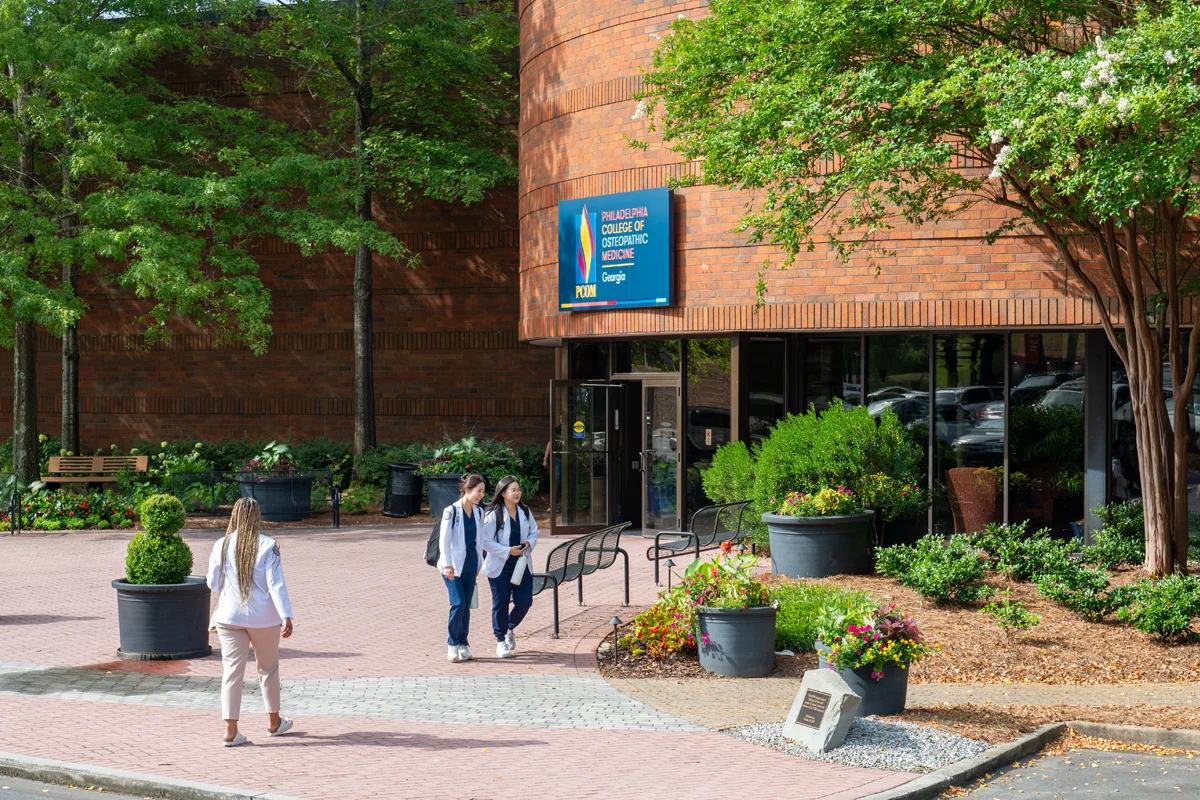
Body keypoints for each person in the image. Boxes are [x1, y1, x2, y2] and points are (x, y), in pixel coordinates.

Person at [206, 497, 295, 747]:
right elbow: (275, 584)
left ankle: (230, 731)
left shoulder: (221, 544)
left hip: (229, 616)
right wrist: (286, 614)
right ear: (257, 517)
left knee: (232, 672)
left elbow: (213, 583)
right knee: (267, 668)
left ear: (234, 516)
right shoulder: (268, 545)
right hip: (263, 618)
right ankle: (274, 723)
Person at [438, 473, 504, 662]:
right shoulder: (451, 511)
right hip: (452, 565)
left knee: (466, 605)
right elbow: (444, 540)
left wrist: (478, 564)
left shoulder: (479, 512)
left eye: (483, 492)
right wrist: (448, 564)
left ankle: (462, 643)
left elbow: (479, 540)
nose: (481, 495)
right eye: (478, 491)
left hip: (470, 564)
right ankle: (452, 644)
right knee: (458, 603)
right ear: (467, 490)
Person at [482, 476, 539, 658]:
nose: (517, 493)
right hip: (501, 565)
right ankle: (500, 641)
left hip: (522, 564)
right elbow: (485, 541)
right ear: (503, 493)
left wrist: (529, 543)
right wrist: (507, 551)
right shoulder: (494, 514)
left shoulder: (525, 511)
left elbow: (534, 532)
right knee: (501, 602)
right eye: (513, 490)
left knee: (525, 602)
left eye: (518, 489)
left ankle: (509, 628)